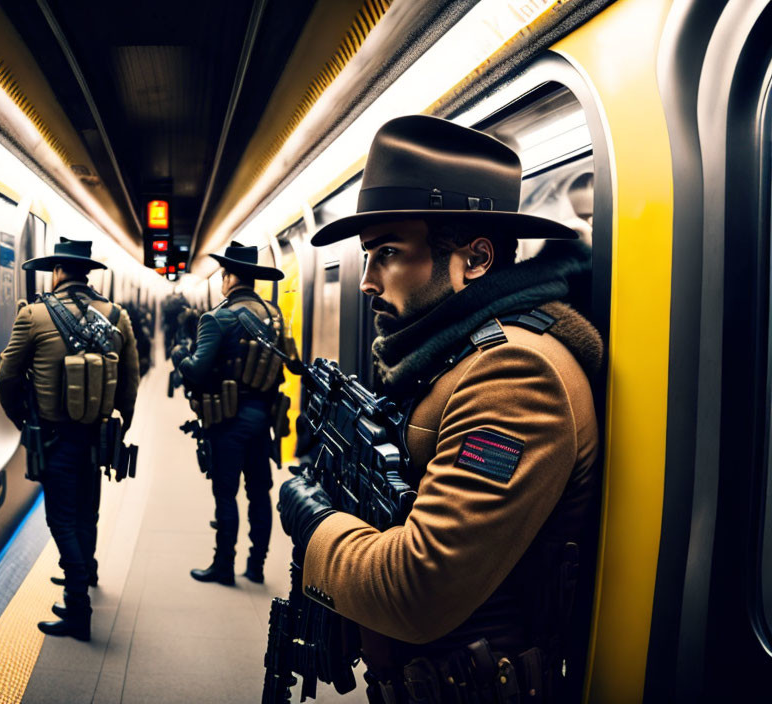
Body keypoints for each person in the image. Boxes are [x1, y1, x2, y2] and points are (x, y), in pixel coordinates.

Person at [278, 115, 604, 702]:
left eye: (387, 253)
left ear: (474, 261)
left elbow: (418, 589)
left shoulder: (516, 375)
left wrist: (316, 526)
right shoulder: (453, 357)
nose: (366, 282)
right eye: (367, 257)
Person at [0, 237, 140, 641]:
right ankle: (86, 572)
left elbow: (6, 377)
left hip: (54, 436)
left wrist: (24, 421)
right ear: (86, 273)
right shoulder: (117, 315)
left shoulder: (34, 315)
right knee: (87, 510)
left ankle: (78, 606)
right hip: (96, 435)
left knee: (61, 518)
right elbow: (130, 381)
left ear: (57, 272)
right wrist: (120, 426)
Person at [179, 241, 294, 586]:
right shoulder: (274, 316)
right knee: (259, 491)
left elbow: (197, 371)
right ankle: (256, 566)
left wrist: (181, 359)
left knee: (226, 492)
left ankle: (223, 566)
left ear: (228, 278)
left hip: (227, 419)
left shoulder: (217, 318)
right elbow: (287, 362)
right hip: (263, 418)